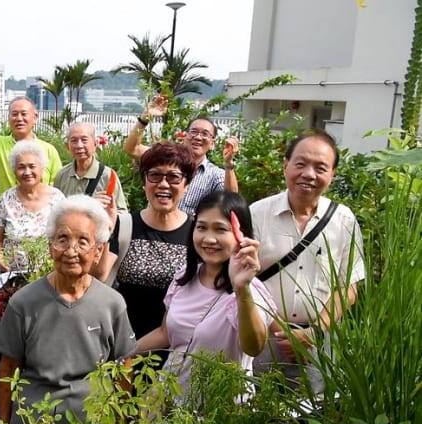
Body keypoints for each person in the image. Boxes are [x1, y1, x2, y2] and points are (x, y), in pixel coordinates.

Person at [0, 194, 136, 424]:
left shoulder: (112, 303)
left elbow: (124, 367)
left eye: (83, 241)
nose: (71, 250)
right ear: (50, 247)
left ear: (98, 251)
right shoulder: (23, 303)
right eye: (62, 239)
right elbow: (8, 370)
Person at [250, 129, 365, 392]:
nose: (309, 174)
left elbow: (348, 287)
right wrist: (285, 333)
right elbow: (245, 283)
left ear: (332, 175)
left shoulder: (344, 220)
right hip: (265, 337)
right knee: (256, 414)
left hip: (319, 340)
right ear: (285, 166)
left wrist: (314, 332)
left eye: (320, 167)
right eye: (300, 164)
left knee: (314, 417)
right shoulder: (257, 213)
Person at [135, 191, 275, 397]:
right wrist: (121, 353)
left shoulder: (251, 291)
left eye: (220, 229)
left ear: (241, 235)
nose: (209, 239)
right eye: (201, 227)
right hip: (169, 399)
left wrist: (241, 288)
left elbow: (254, 347)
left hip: (220, 409)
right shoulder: (184, 278)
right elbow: (165, 334)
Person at [93, 142, 195, 360]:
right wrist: (104, 230)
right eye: (155, 175)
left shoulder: (196, 233)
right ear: (144, 181)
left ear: (186, 184)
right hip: (118, 346)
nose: (164, 184)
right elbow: (99, 277)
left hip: (175, 352)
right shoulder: (125, 225)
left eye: (174, 177)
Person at [123, 95, 239, 214]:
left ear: (212, 143)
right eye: (193, 131)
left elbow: (232, 200)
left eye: (205, 134)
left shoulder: (215, 175)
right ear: (185, 136)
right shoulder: (165, 157)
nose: (198, 137)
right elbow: (132, 148)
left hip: (189, 232)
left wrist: (229, 164)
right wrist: (145, 118)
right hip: (152, 227)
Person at [0, 78, 63, 200]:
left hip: (41, 215)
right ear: (9, 118)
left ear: (35, 117)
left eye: (24, 114)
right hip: (5, 213)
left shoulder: (49, 150)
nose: (19, 118)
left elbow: (58, 187)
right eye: (15, 114)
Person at [0, 141, 66, 272]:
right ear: (14, 171)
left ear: (42, 169)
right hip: (13, 275)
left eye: (32, 166)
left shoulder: (57, 198)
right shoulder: (6, 199)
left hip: (49, 275)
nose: (27, 172)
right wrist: (0, 258)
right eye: (21, 167)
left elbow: (66, 236)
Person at [54, 122, 128, 211]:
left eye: (84, 140)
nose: (79, 145)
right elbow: (55, 210)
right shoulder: (62, 175)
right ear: (67, 146)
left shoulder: (108, 176)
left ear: (95, 144)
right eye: (74, 141)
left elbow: (122, 213)